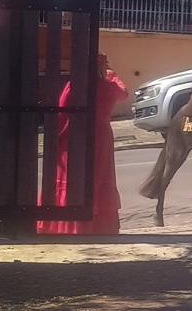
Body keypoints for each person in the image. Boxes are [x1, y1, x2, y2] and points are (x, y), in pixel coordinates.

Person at [37, 54, 127, 235]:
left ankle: (66, 224)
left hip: (76, 135)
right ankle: (100, 225)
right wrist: (112, 75)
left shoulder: (75, 87)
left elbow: (62, 111)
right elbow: (124, 93)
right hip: (101, 137)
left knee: (71, 178)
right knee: (99, 177)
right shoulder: (110, 87)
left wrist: (56, 136)